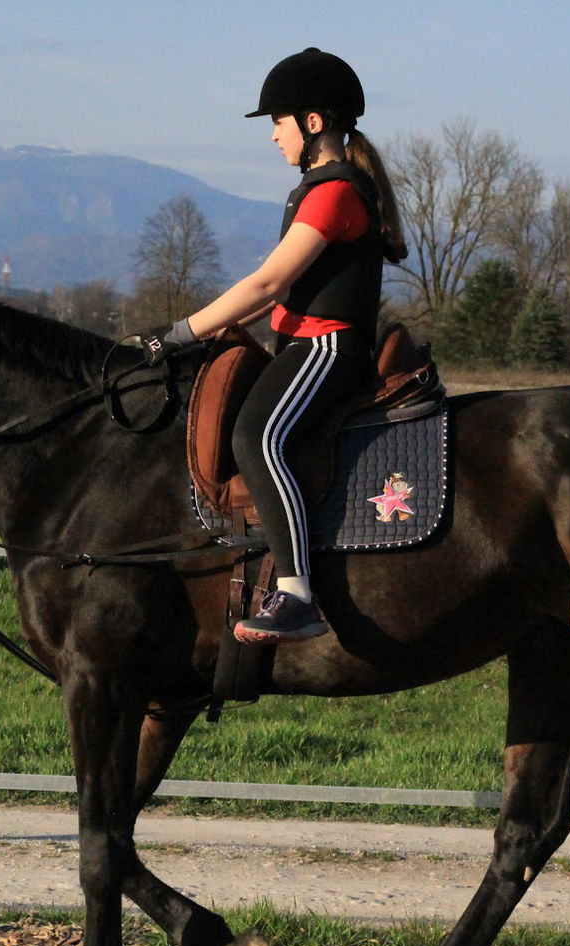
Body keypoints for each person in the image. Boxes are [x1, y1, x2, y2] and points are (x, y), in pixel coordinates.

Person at [140, 47, 408, 644]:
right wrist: (200, 337)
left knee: (255, 436)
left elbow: (265, 282)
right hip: (301, 344)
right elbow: (269, 300)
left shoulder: (335, 193)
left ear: (313, 123)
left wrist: (178, 332)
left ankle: (296, 597)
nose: (273, 138)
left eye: (277, 123)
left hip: (328, 349)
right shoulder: (315, 189)